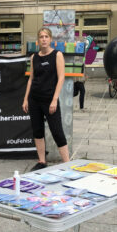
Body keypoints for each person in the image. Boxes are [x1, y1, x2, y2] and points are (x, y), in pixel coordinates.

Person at [22, 27, 70, 171]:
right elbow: (31, 79)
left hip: (50, 100)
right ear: (38, 40)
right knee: (37, 131)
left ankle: (67, 164)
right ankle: (42, 161)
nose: (43, 39)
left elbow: (61, 78)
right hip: (34, 100)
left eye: (46, 37)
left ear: (50, 39)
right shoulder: (34, 57)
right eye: (41, 37)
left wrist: (55, 99)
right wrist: (25, 99)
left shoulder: (57, 55)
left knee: (57, 132)